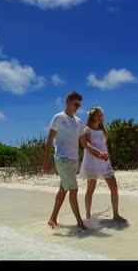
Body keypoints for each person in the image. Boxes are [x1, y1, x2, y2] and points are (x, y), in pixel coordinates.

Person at [43, 91, 90, 231]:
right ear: (68, 102)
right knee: (74, 190)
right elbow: (50, 139)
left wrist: (99, 152)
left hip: (74, 160)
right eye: (75, 104)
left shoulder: (78, 122)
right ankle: (80, 223)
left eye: (79, 105)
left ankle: (52, 219)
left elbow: (84, 143)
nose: (77, 107)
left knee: (63, 189)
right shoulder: (59, 117)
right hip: (62, 159)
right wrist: (46, 160)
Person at [79, 106, 127, 222]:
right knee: (90, 189)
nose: (100, 117)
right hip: (92, 161)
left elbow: (105, 147)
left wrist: (107, 159)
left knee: (114, 188)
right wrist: (99, 155)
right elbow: (88, 146)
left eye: (101, 114)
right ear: (92, 116)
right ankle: (88, 215)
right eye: (98, 114)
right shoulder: (87, 129)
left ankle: (116, 215)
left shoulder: (103, 130)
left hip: (104, 161)